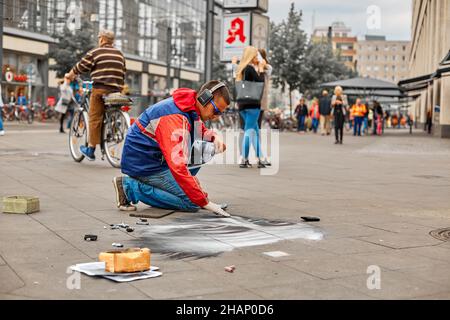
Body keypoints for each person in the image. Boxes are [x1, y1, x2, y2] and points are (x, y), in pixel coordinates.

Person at [115, 80, 231, 217]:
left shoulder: (189, 105)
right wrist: (204, 202)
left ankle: (178, 187)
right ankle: (130, 187)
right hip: (144, 164)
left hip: (155, 158)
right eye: (216, 111)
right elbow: (177, 165)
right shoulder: (174, 117)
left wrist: (214, 137)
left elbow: (199, 127)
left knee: (206, 149)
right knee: (192, 203)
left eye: (220, 113)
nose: (216, 117)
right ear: (205, 98)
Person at [66, 29, 126, 161]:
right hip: (116, 90)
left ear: (103, 39)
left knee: (94, 118)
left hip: (100, 89)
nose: (99, 40)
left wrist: (70, 75)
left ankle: (91, 149)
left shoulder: (96, 52)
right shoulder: (120, 55)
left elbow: (80, 66)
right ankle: (113, 128)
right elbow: (123, 73)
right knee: (110, 110)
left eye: (99, 38)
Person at [235, 46, 267, 169]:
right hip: (253, 105)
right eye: (255, 55)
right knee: (249, 131)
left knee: (254, 132)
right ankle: (244, 158)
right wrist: (261, 69)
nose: (256, 58)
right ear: (251, 56)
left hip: (242, 104)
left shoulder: (240, 69)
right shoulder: (249, 69)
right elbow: (260, 83)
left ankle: (260, 158)